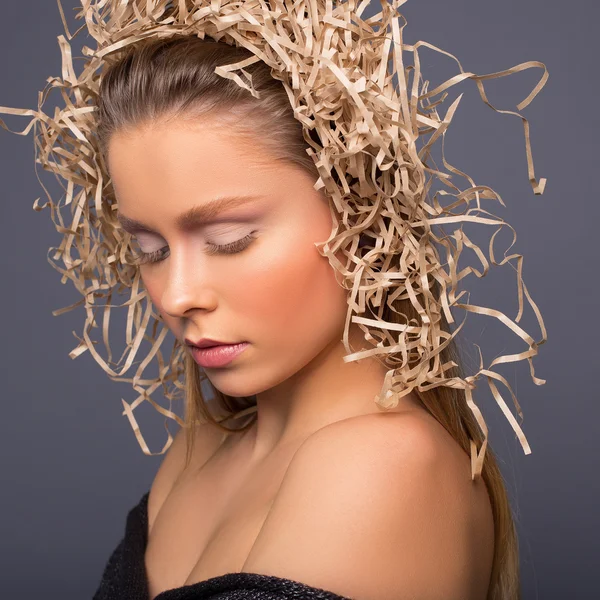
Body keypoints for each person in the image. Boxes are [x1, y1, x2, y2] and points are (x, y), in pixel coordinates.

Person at [0, 1, 549, 599]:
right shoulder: (199, 450)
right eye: (151, 248)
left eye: (228, 241)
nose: (178, 295)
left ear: (358, 210)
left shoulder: (386, 467)